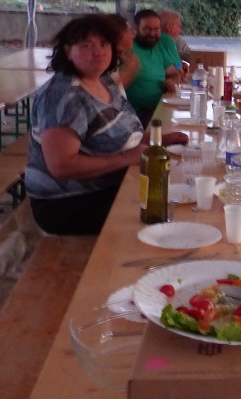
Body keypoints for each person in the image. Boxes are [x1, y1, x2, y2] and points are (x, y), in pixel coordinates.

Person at [24, 14, 188, 236]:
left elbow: (122, 134)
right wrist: (126, 159)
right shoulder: (64, 96)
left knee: (176, 193)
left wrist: (157, 140)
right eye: (87, 45)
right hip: (68, 202)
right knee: (165, 215)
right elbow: (61, 166)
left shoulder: (104, 81)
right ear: (67, 51)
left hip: (110, 185)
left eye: (104, 44)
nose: (98, 52)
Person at [124, 8, 181, 126]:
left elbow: (175, 74)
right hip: (136, 115)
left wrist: (172, 82)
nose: (153, 34)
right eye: (147, 29)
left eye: (156, 29)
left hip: (160, 107)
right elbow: (114, 87)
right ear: (135, 29)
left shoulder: (158, 48)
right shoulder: (127, 49)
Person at [159, 9, 191, 76]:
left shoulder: (158, 38)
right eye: (178, 26)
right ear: (169, 27)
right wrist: (182, 70)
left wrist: (180, 64)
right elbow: (178, 67)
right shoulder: (167, 40)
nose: (180, 30)